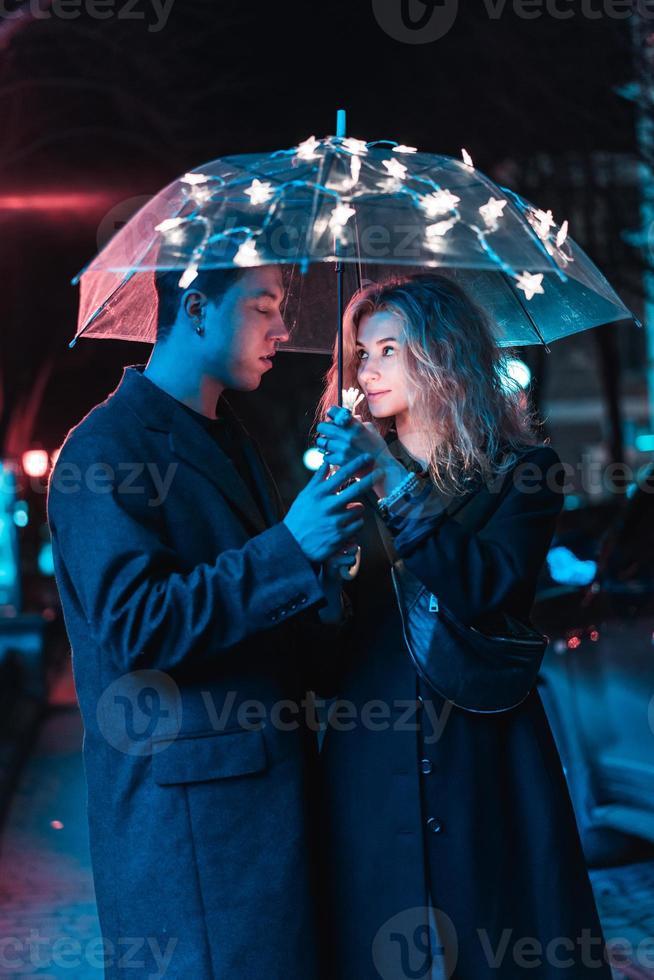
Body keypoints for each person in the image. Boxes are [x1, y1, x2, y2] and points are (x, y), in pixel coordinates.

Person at [46, 262, 378, 980]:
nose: (284, 330)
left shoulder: (231, 440)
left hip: (269, 820)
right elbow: (137, 629)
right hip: (189, 840)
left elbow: (279, 630)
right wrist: (291, 547)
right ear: (196, 309)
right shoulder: (106, 449)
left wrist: (328, 559)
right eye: (264, 308)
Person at [313, 272, 614, 980]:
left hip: (484, 744)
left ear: (443, 353)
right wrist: (322, 543)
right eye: (362, 353)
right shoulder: (344, 485)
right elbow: (323, 634)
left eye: (390, 348)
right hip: (371, 751)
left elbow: (487, 587)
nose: (370, 368)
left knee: (493, 936)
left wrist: (394, 485)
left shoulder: (523, 473)